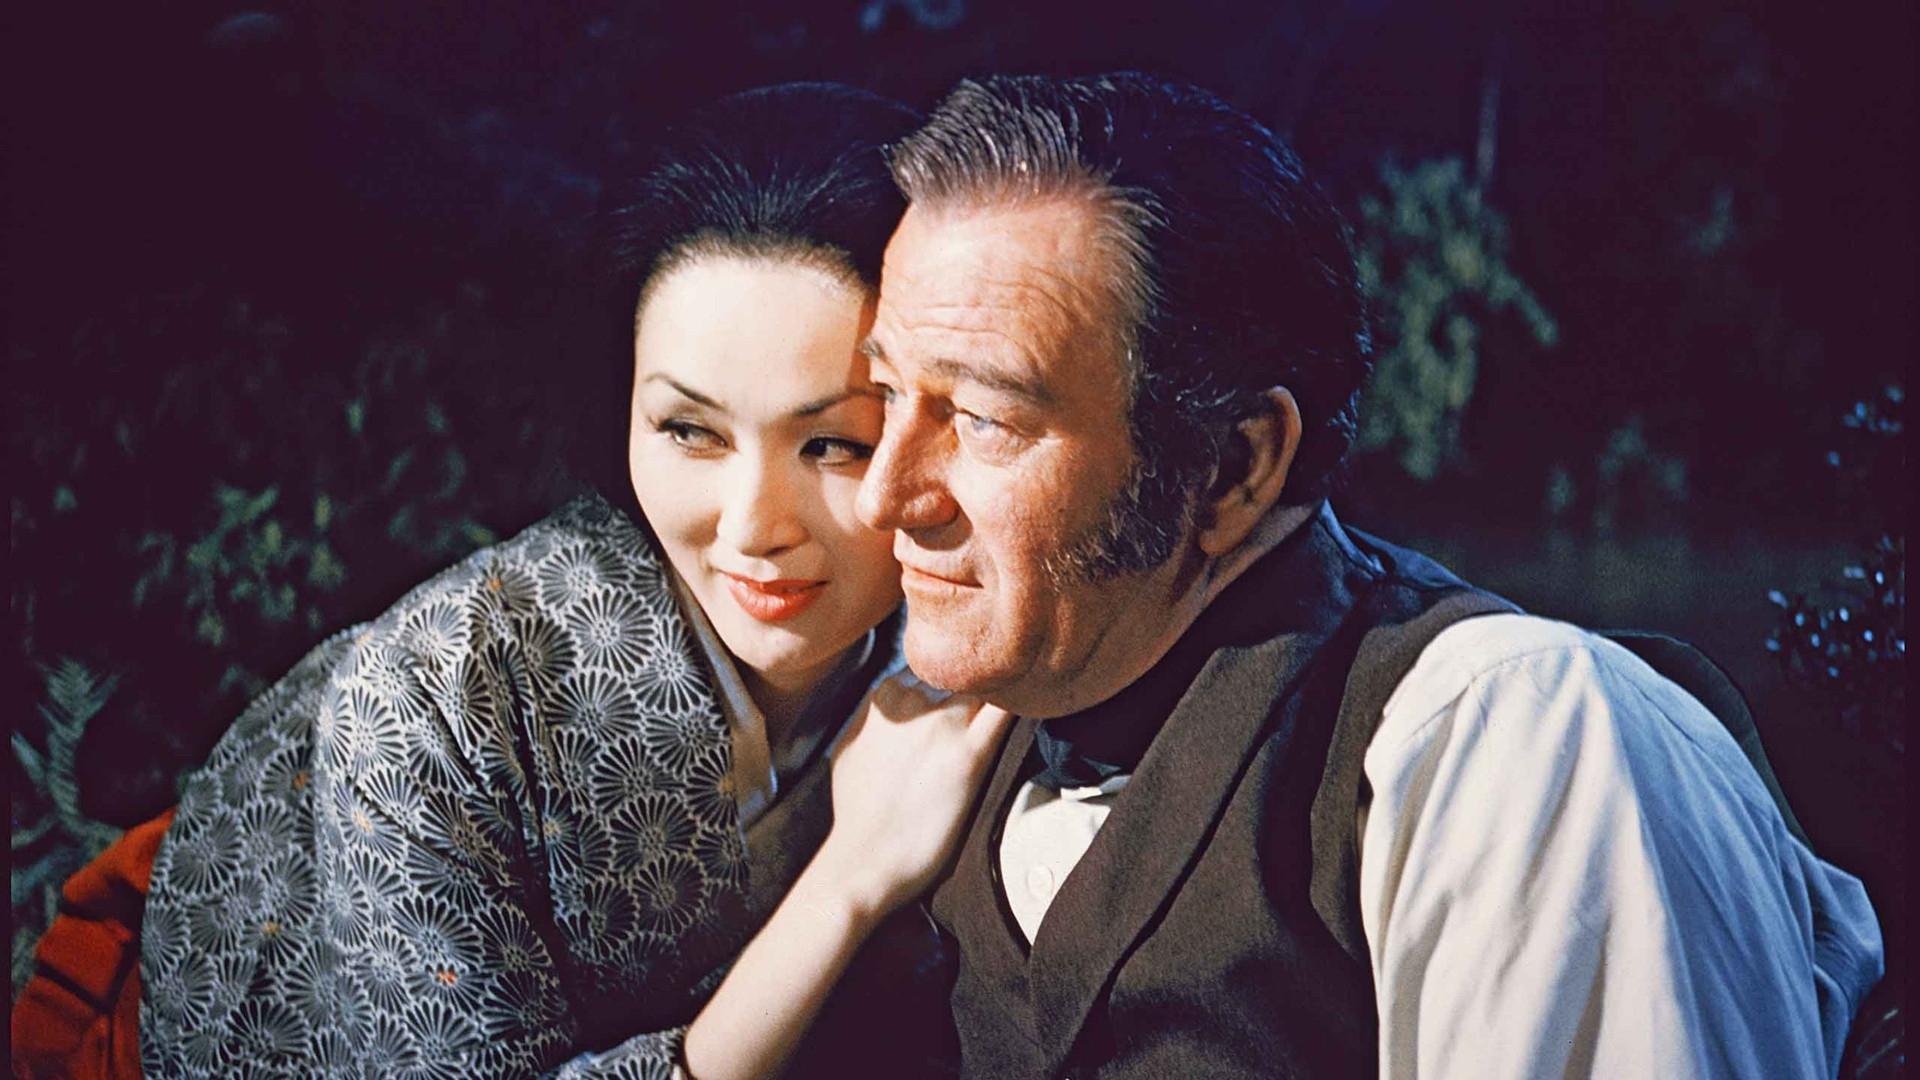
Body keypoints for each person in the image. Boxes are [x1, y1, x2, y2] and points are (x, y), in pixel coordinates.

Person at [854, 72, 1885, 1078]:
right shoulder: (918, 759)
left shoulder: (1517, 746)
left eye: (982, 418)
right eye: (887, 396)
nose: (884, 495)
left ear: (1234, 468)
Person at [123, 83, 1008, 1079]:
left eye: (836, 443)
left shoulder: (982, 625)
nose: (754, 527)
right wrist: (848, 883)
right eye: (689, 430)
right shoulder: (427, 698)